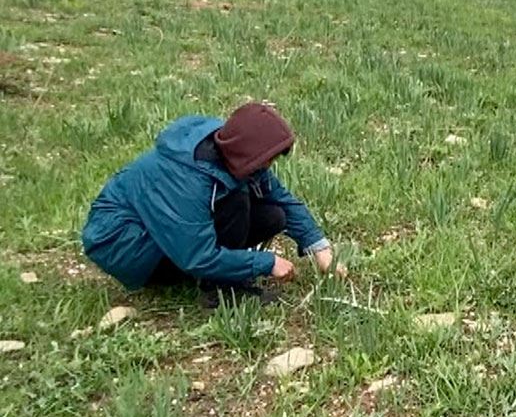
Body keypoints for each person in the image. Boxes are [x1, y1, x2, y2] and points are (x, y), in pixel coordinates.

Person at [82, 102, 340, 308]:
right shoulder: (186, 180)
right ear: (249, 155)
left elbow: (280, 197)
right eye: (267, 161)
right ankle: (222, 289)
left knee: (273, 215)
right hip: (128, 249)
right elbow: (197, 255)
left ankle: (221, 274)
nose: (268, 168)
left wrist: (320, 248)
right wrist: (265, 262)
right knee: (236, 200)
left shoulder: (233, 150)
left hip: (163, 239)